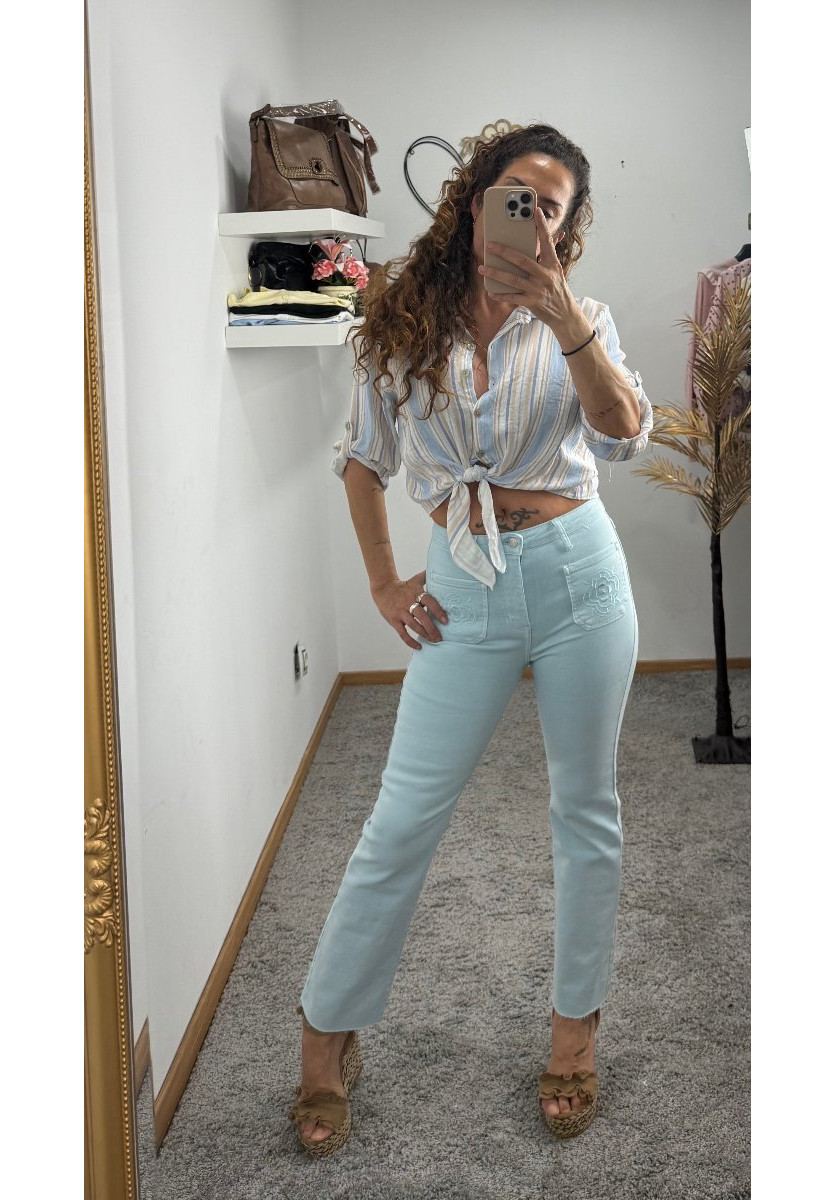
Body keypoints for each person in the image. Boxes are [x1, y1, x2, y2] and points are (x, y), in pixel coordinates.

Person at [287, 122, 653, 1155]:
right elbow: (363, 459)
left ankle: (573, 1034)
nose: (532, 216)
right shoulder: (402, 318)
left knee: (585, 809)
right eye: (516, 193)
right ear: (475, 197)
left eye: (552, 206)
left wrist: (565, 322)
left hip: (579, 575)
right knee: (401, 817)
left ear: (565, 228)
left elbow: (625, 434)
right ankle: (326, 1030)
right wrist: (381, 581)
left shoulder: (583, 317)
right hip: (462, 586)